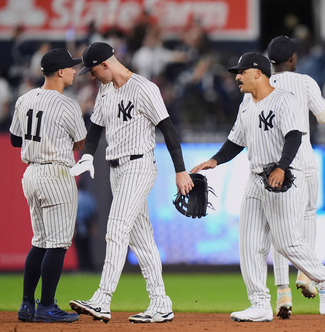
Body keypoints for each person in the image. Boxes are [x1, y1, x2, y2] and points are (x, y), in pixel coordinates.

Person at [190, 52, 325, 322]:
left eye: (241, 72)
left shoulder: (284, 100)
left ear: (258, 73)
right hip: (255, 178)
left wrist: (282, 167)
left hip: (281, 178)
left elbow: (294, 136)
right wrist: (215, 160)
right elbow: (236, 140)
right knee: (249, 243)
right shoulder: (246, 102)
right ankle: (259, 304)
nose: (237, 77)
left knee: (286, 242)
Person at [67, 42, 194, 323]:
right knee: (142, 240)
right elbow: (95, 130)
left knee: (116, 226)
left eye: (92, 70)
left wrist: (181, 170)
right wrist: (87, 155)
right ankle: (161, 302)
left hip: (139, 165)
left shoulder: (144, 88)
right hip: (117, 170)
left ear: (105, 64)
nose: (91, 76)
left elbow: (168, 129)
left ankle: (103, 298)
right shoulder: (105, 90)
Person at [10, 48, 86, 323]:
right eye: (71, 67)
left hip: (30, 174)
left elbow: (15, 140)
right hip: (56, 173)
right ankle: (46, 306)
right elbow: (80, 143)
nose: (75, 71)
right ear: (61, 72)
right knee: (58, 244)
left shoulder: (24, 98)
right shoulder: (68, 104)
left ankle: (27, 304)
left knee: (40, 242)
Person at [265, 35, 325, 319]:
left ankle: (282, 292)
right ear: (293, 59)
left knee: (279, 227)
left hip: (273, 164)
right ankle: (306, 272)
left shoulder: (260, 85)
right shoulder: (304, 81)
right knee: (308, 215)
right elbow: (324, 117)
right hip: (303, 160)